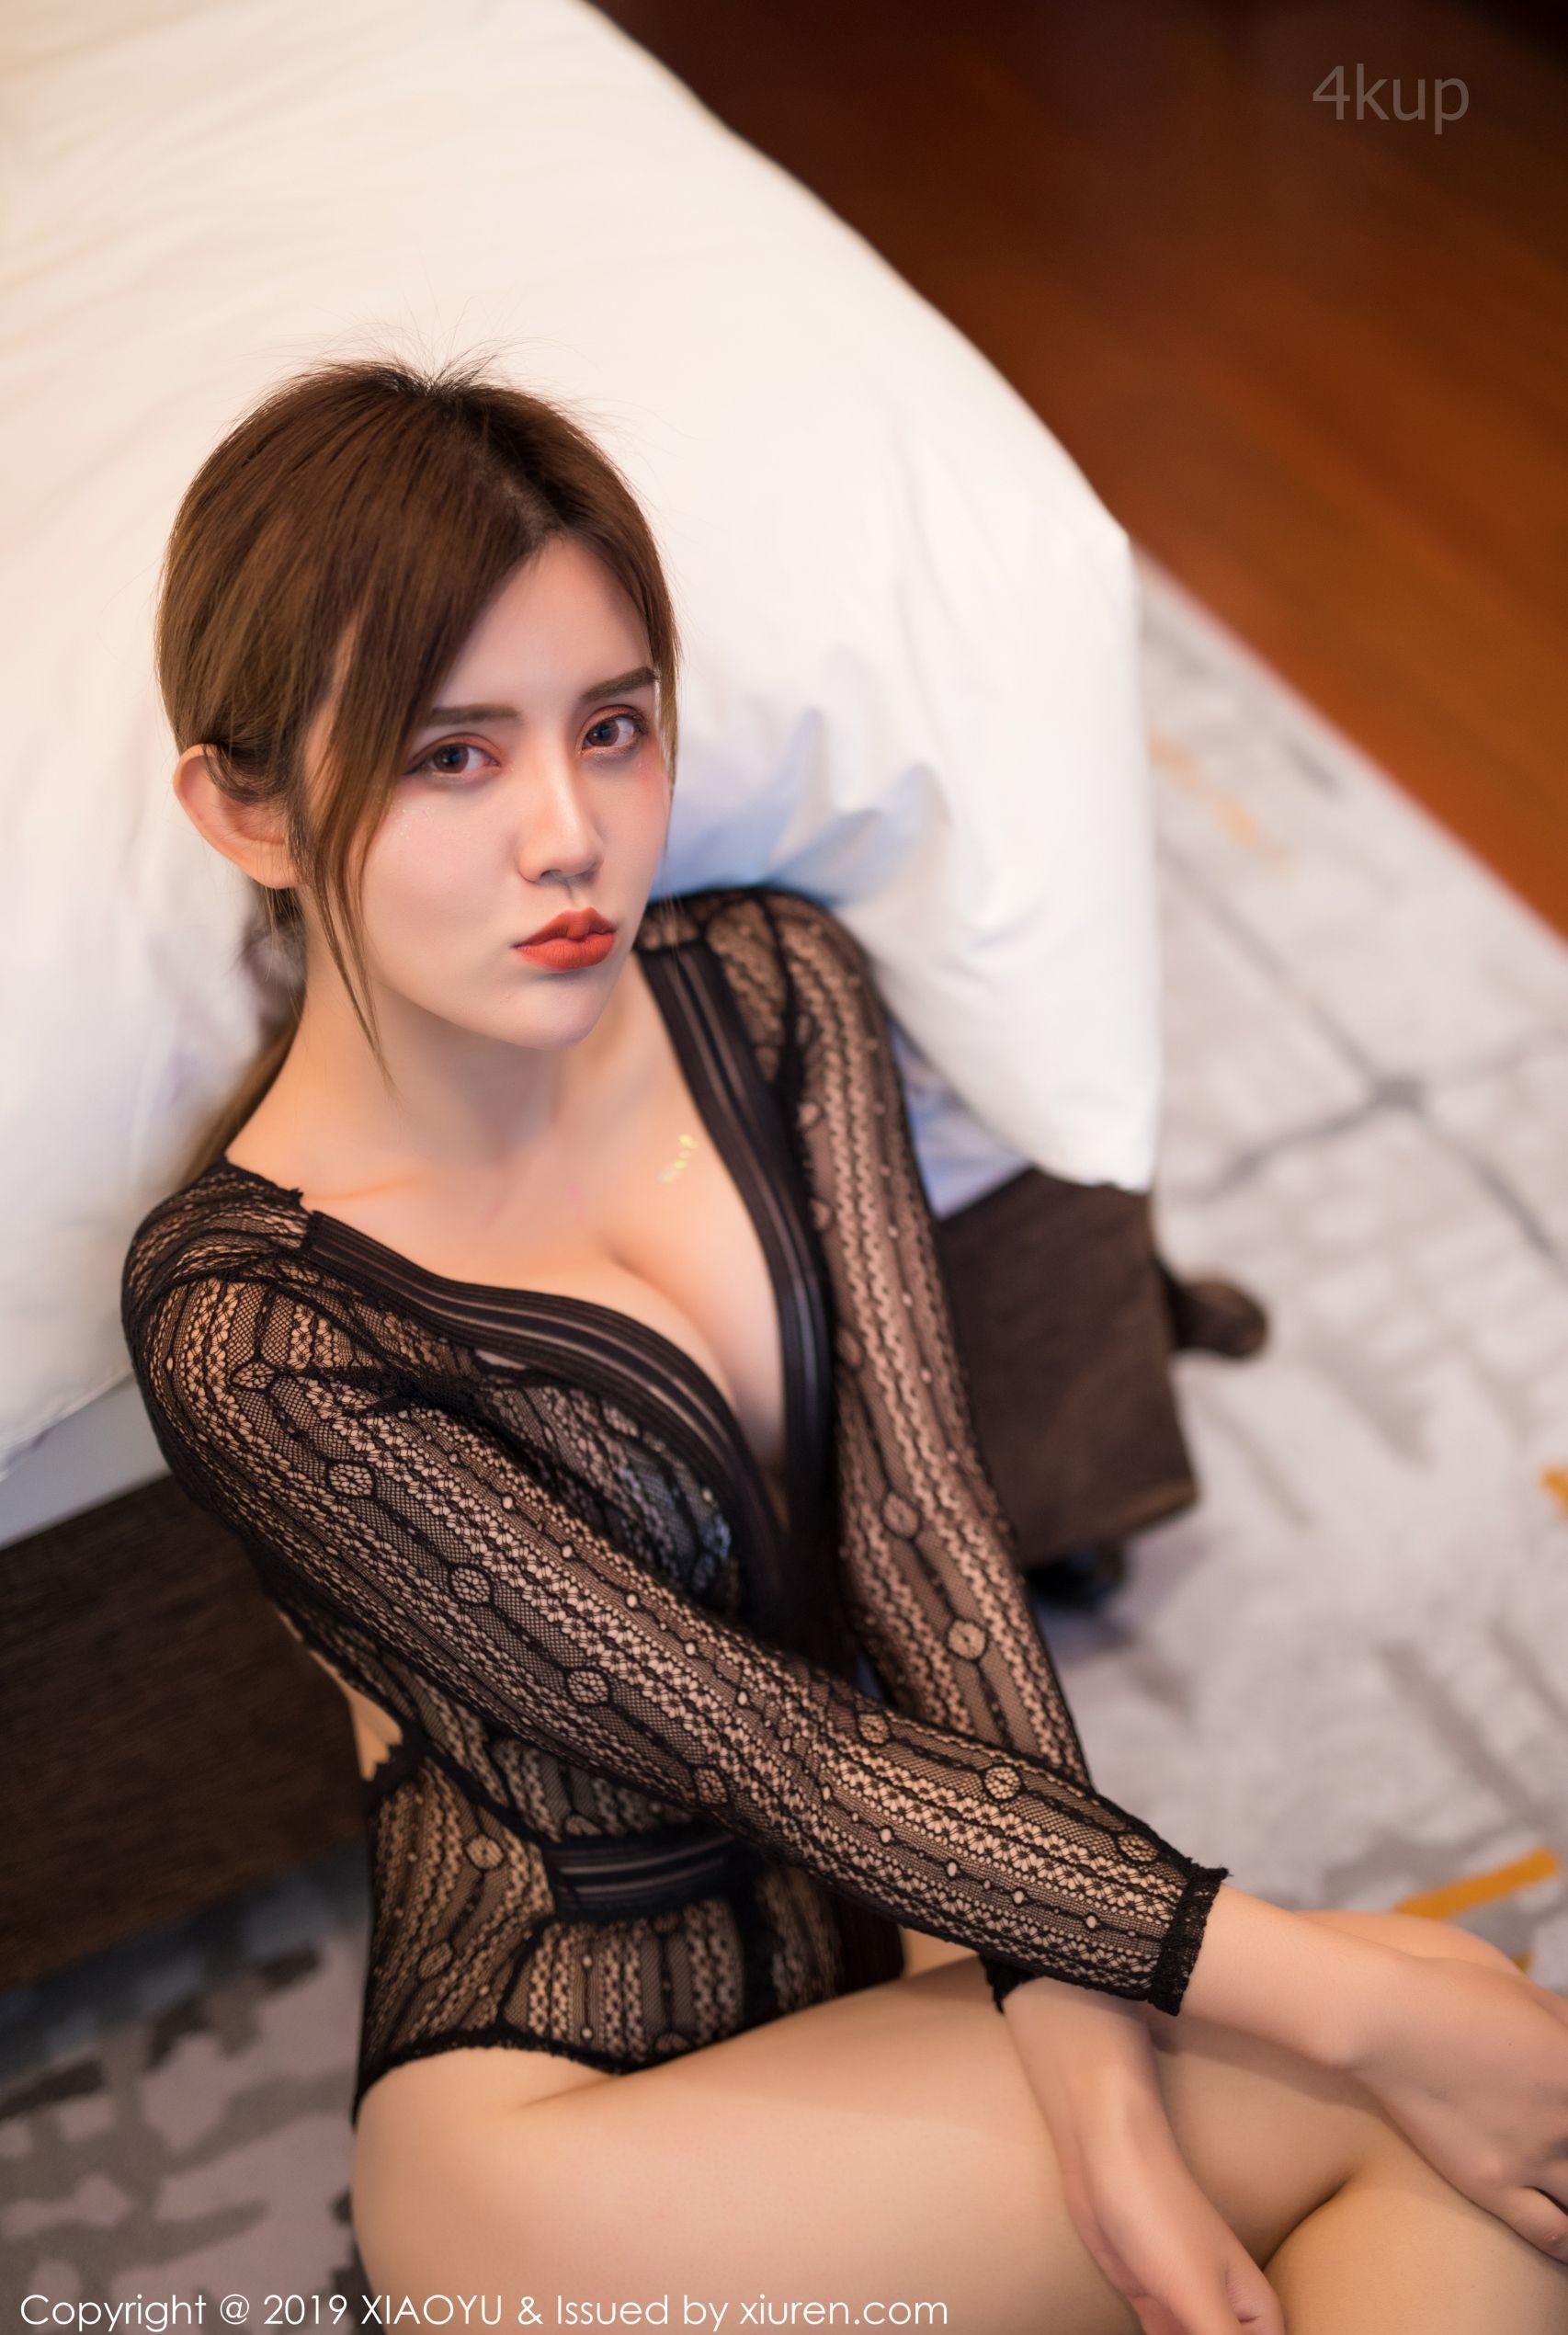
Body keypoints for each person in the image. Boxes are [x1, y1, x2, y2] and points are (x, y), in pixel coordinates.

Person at [119, 355, 1568, 2333]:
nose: (570, 834)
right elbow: (763, 1739)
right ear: (248, 810)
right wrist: (1329, 1990)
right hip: (563, 2147)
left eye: (612, 727)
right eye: (452, 756)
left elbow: (930, 1551)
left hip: (906, 1932)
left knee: (1448, 2142)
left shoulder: (772, 988)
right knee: (1433, 2039)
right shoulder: (247, 1326)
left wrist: (1103, 2101)